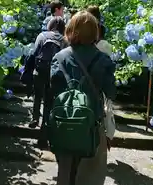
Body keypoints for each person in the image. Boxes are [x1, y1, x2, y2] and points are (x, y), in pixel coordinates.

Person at [49, 11, 116, 185]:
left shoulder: (60, 57)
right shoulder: (104, 60)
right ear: (95, 32)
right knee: (91, 175)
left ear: (71, 30)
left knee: (65, 173)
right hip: (92, 124)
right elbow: (111, 92)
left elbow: (53, 91)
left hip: (64, 123)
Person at [21, 16, 67, 148]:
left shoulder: (42, 36)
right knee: (48, 103)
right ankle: (44, 131)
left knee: (37, 95)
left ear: (50, 25)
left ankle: (35, 117)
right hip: (54, 74)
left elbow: (34, 54)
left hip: (39, 72)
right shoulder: (64, 40)